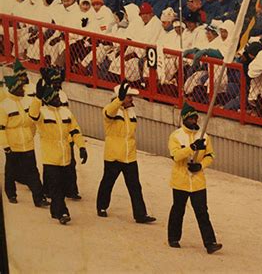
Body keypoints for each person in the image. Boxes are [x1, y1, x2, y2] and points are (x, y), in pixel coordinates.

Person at [29, 79, 88, 225]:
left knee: (60, 186)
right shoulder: (42, 113)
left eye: (58, 96)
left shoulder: (66, 112)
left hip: (65, 157)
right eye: (55, 97)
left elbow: (75, 130)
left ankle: (55, 211)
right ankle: (63, 212)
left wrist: (82, 147)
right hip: (50, 158)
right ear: (48, 99)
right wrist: (37, 97)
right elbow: (32, 114)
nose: (58, 99)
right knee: (56, 187)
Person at [96, 82, 156, 224]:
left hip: (129, 156)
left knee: (135, 186)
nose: (131, 99)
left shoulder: (130, 112)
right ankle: (101, 207)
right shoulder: (111, 110)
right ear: (120, 97)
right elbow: (108, 112)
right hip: (114, 155)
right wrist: (119, 100)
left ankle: (140, 215)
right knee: (108, 182)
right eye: (129, 96)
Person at [167, 102, 222, 254]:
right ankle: (173, 238)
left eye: (195, 118)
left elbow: (210, 155)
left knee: (202, 212)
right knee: (178, 210)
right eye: (191, 118)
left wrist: (201, 165)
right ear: (184, 119)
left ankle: (210, 243)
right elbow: (176, 156)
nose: (194, 121)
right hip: (180, 180)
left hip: (198, 181)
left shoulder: (203, 136)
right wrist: (191, 148)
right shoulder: (176, 136)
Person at [0, 74, 49, 207]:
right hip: (13, 146)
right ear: (14, 89)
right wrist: (5, 146)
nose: (23, 89)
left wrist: (31, 135)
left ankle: (39, 198)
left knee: (33, 171)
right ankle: (11, 194)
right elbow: (1, 129)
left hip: (27, 144)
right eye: (20, 87)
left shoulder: (26, 101)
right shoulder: (4, 106)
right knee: (10, 171)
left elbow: (32, 118)